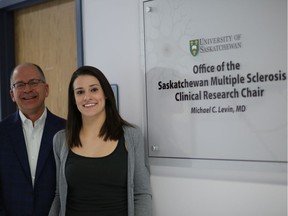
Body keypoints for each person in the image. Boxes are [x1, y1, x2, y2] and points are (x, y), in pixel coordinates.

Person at [49, 66, 152, 216]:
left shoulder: (132, 135)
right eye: (80, 92)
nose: (87, 97)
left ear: (106, 94)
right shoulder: (61, 139)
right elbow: (60, 195)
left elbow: (142, 193)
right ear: (74, 99)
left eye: (94, 89)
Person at [0, 63, 66, 215]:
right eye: (20, 84)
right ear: (12, 94)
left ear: (46, 89)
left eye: (34, 82)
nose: (27, 89)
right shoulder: (2, 133)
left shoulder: (67, 130)